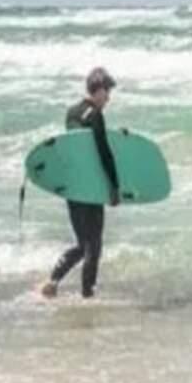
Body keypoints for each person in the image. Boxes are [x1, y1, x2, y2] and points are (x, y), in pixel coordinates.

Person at [37, 67, 122, 299]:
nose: (108, 98)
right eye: (107, 92)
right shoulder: (95, 115)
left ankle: (53, 281)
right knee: (94, 247)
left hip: (72, 188)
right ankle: (87, 295)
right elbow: (103, 154)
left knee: (83, 244)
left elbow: (74, 149)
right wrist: (114, 187)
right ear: (99, 90)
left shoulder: (71, 113)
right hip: (90, 189)